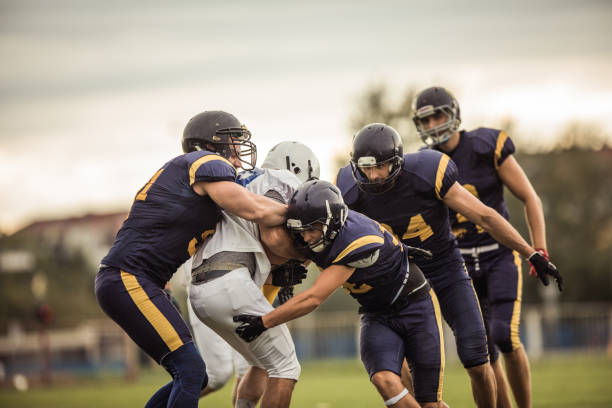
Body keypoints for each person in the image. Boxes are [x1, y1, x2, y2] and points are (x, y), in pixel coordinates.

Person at [334, 123, 562, 408]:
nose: (373, 175)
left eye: (381, 166)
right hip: (399, 284)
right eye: (366, 167)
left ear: (398, 162)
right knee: (399, 368)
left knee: (478, 360)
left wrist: (531, 253)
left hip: (445, 270)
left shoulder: (426, 172)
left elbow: (485, 216)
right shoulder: (347, 190)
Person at [95, 110, 288, 408]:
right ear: (211, 144)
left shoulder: (192, 179)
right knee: (191, 370)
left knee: (193, 375)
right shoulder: (205, 164)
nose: (238, 151)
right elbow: (255, 209)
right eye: (233, 142)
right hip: (129, 279)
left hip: (140, 282)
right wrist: (303, 214)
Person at [233, 180, 450, 408]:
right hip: (376, 313)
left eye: (312, 230)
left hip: (416, 306)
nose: (306, 238)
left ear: (333, 221)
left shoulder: (358, 239)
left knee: (430, 403)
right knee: (383, 379)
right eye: (302, 230)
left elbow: (313, 298)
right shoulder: (314, 231)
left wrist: (264, 321)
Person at [412, 86, 553, 408]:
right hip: (458, 264)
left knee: (505, 335)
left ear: (454, 114)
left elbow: (530, 197)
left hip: (498, 256)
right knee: (482, 351)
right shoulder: (425, 164)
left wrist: (538, 248)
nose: (433, 123)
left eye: (438, 115)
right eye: (426, 119)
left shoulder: (485, 146)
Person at [188, 141, 320, 408]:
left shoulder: (239, 182)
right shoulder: (282, 181)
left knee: (259, 364)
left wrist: (278, 274)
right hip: (230, 281)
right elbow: (271, 235)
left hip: (201, 285)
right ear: (298, 169)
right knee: (285, 367)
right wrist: (307, 254)